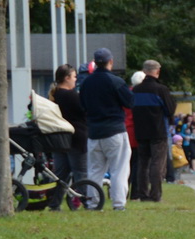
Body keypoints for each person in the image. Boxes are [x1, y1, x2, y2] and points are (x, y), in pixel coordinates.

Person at [78, 47, 135, 211]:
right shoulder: (115, 81)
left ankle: (93, 203)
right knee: (119, 169)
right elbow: (130, 102)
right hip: (114, 130)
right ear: (111, 61)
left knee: (95, 170)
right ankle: (118, 204)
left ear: (95, 63)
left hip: (94, 132)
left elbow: (83, 105)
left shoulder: (86, 82)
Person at [132, 60, 174, 202]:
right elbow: (170, 110)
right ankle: (155, 194)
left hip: (140, 130)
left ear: (144, 71)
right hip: (158, 131)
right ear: (157, 71)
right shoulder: (161, 90)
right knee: (157, 163)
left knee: (142, 163)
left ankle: (142, 194)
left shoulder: (136, 90)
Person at [49, 64, 89, 204]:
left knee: (60, 174)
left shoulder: (54, 95)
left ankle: (54, 202)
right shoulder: (72, 95)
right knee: (81, 172)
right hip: (76, 137)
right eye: (74, 77)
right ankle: (86, 200)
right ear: (66, 78)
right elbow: (84, 112)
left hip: (59, 138)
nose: (75, 80)